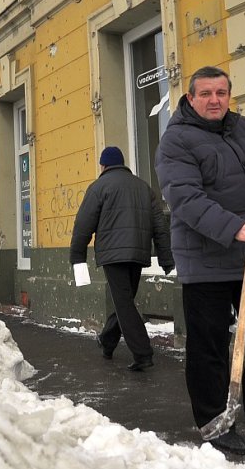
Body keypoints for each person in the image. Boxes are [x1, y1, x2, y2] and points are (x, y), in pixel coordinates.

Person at [154, 66, 245, 456]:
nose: (214, 100)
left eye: (221, 92)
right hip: (206, 261)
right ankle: (214, 421)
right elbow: (184, 199)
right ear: (190, 98)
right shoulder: (176, 142)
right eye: (205, 94)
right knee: (210, 347)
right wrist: (235, 227)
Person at [70, 146, 174, 371]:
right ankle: (107, 340)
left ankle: (143, 353)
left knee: (124, 302)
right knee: (124, 300)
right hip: (138, 253)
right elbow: (160, 226)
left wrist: (77, 257)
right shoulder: (143, 187)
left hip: (113, 256)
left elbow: (83, 225)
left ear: (103, 165)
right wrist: (166, 258)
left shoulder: (99, 187)